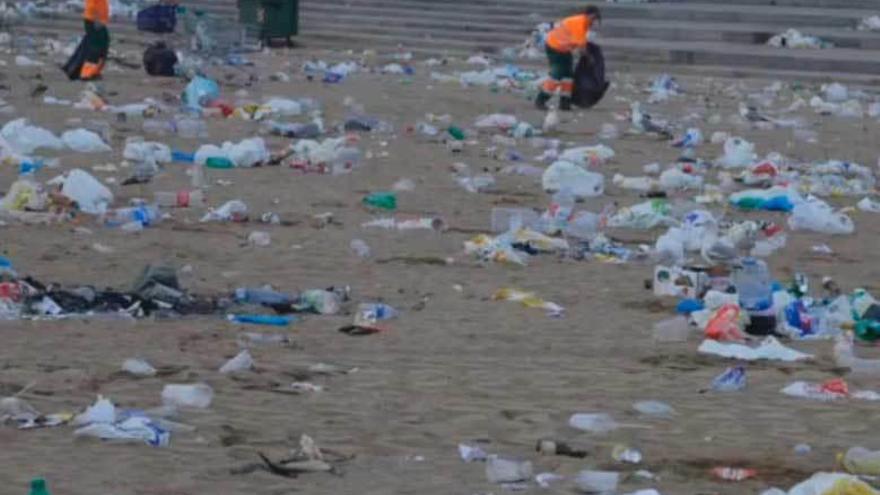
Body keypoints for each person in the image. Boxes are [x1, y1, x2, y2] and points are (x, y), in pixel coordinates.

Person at [535, 6, 601, 111]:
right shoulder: (580, 23)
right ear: (590, 15)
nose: (594, 22)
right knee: (557, 75)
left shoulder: (583, 23)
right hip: (555, 47)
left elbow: (579, 43)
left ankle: (565, 103)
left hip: (563, 49)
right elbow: (581, 48)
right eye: (594, 18)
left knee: (568, 76)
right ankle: (541, 100)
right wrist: (589, 58)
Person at [80, 0, 110, 80]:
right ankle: (87, 73)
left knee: (102, 47)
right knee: (96, 47)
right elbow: (91, 6)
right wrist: (96, 19)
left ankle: (94, 72)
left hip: (98, 21)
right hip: (94, 21)